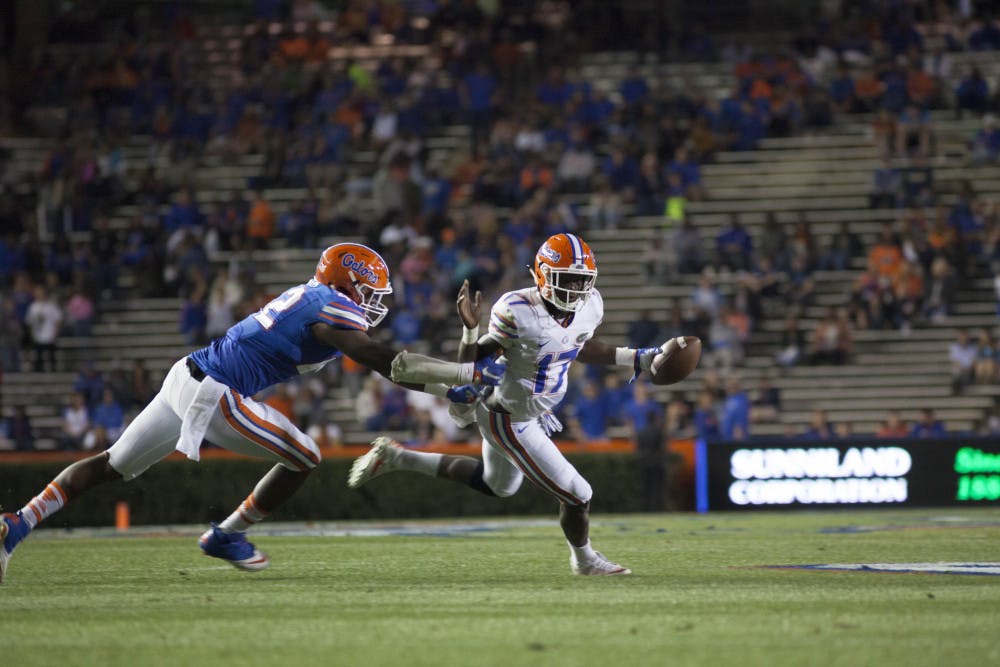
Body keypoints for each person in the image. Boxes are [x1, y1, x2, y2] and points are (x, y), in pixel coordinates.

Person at [0, 243, 503, 582]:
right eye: (369, 293)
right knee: (304, 455)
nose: (372, 304)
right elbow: (389, 364)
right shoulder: (332, 306)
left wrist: (452, 382)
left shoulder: (312, 297)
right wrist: (464, 376)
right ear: (349, 286)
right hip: (216, 391)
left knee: (112, 464)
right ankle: (227, 534)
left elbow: (386, 364)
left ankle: (17, 523)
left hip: (189, 375)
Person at [349, 233, 684, 576]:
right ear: (541, 274)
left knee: (499, 485)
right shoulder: (518, 310)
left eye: (581, 280)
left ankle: (396, 456)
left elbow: (579, 344)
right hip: (507, 415)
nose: (574, 288)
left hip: (528, 410)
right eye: (565, 278)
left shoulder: (590, 305)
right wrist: (470, 331)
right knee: (578, 493)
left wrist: (636, 358)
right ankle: (585, 561)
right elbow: (469, 370)